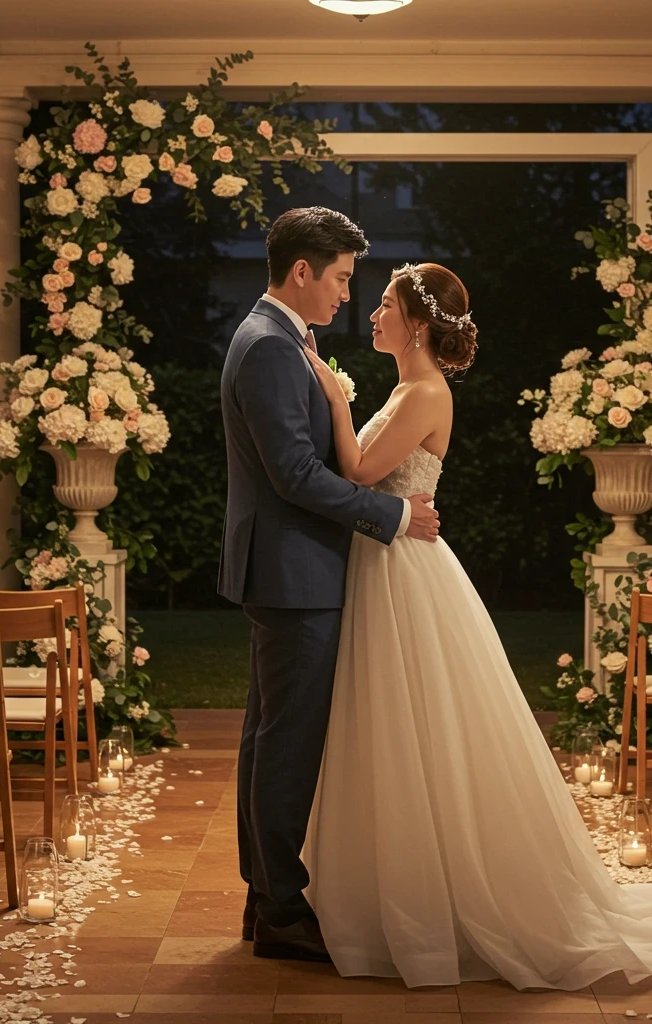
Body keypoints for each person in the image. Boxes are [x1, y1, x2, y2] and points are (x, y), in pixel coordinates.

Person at [301, 261, 652, 990]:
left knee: (418, 726)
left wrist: (333, 395)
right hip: (389, 563)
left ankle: (433, 901)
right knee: (391, 726)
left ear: (417, 321)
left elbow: (355, 470)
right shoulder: (411, 387)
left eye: (383, 304)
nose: (371, 314)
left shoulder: (423, 390)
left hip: (405, 576)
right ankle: (386, 894)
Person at [217, 207, 440, 963]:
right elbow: (296, 475)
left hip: (289, 569)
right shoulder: (271, 348)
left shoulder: (278, 338)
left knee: (266, 738)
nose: (348, 294)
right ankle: (280, 907)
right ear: (303, 271)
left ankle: (265, 897)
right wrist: (391, 515)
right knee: (287, 745)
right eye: (342, 278)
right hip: (294, 571)